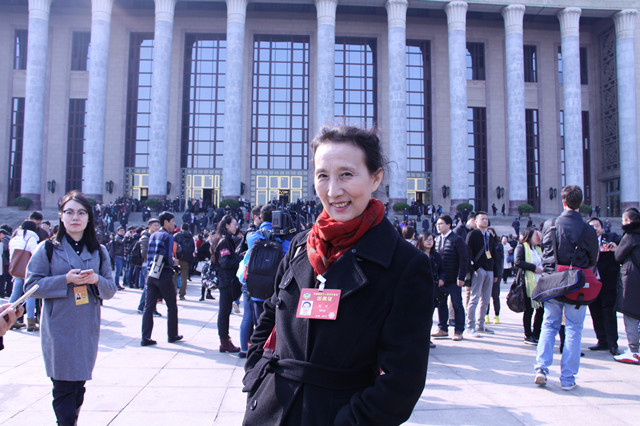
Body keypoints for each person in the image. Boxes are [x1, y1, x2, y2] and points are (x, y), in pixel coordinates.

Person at [242, 124, 433, 425]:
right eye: (322, 176)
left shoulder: (404, 265)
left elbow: (403, 381)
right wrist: (257, 376)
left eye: (346, 174)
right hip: (270, 410)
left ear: (375, 178)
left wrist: (349, 421)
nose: (333, 191)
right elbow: (268, 316)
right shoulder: (301, 246)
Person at [24, 190, 117, 425]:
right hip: (59, 327)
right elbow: (31, 287)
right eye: (70, 212)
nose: (75, 217)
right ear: (61, 216)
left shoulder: (99, 251)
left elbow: (110, 289)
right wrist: (65, 279)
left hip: (86, 327)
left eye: (81, 213)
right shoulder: (47, 249)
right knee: (63, 387)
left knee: (78, 387)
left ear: (89, 217)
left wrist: (95, 279)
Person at [534, 185, 598, 390]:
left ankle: (541, 368)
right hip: (576, 282)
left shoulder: (550, 224)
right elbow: (593, 258)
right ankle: (568, 378)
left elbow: (546, 251)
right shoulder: (588, 229)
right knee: (573, 329)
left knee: (549, 324)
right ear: (581, 203)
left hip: (553, 281)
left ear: (563, 202)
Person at [141, 211, 182, 346]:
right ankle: (172, 335)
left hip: (151, 273)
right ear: (166, 222)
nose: (174, 224)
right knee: (172, 306)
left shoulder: (153, 235)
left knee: (148, 307)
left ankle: (145, 337)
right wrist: (173, 262)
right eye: (172, 221)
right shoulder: (167, 236)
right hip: (164, 273)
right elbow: (164, 255)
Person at [586, 217, 621, 355]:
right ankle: (602, 341)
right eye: (591, 226)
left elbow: (621, 250)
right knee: (595, 312)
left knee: (609, 313)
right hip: (592, 283)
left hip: (607, 283)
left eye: (597, 225)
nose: (594, 228)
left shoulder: (611, 238)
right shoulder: (585, 242)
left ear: (602, 228)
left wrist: (615, 249)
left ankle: (613, 344)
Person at [432, 215, 468, 341]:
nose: (438, 226)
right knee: (441, 304)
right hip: (441, 279)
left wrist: (461, 276)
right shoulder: (436, 239)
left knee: (457, 304)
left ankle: (459, 330)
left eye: (441, 224)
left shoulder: (457, 239)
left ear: (449, 225)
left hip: (454, 278)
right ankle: (442, 328)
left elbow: (463, 259)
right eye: (437, 224)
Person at [613, 207, 640, 364]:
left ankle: (633, 350)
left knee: (630, 314)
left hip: (632, 279)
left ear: (628, 221)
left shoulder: (630, 235)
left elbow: (618, 256)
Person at [465, 211, 499, 336]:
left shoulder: (489, 236)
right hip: (478, 270)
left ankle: (481, 325)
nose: (485, 221)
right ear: (476, 221)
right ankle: (470, 326)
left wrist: (496, 272)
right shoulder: (472, 234)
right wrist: (475, 267)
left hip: (489, 269)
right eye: (482, 219)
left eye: (486, 219)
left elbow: (494, 254)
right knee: (474, 298)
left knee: (486, 299)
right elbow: (468, 252)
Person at [211, 214, 242, 353]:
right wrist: (239, 259)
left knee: (225, 311)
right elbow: (225, 262)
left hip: (226, 280)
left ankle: (225, 340)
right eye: (234, 224)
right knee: (224, 312)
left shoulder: (225, 239)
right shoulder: (224, 241)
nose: (236, 226)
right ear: (227, 225)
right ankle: (224, 341)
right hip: (226, 280)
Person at [514, 227, 544, 345]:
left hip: (540, 282)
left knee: (540, 309)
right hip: (527, 282)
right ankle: (528, 334)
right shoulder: (522, 247)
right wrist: (533, 268)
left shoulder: (538, 249)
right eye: (536, 235)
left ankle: (537, 333)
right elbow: (518, 262)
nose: (538, 238)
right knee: (529, 310)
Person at [8, 220, 40, 331]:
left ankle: (8, 319)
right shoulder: (31, 238)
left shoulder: (14, 238)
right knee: (30, 295)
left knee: (15, 294)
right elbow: (36, 255)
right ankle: (31, 322)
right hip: (28, 270)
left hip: (17, 270)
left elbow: (11, 255)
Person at [417, 231, 444, 349]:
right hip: (418, 289)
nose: (429, 242)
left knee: (429, 315)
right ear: (421, 241)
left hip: (432, 288)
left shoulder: (436, 256)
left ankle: (426, 338)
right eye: (427, 240)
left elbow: (442, 270)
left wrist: (442, 279)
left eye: (431, 240)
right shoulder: (416, 254)